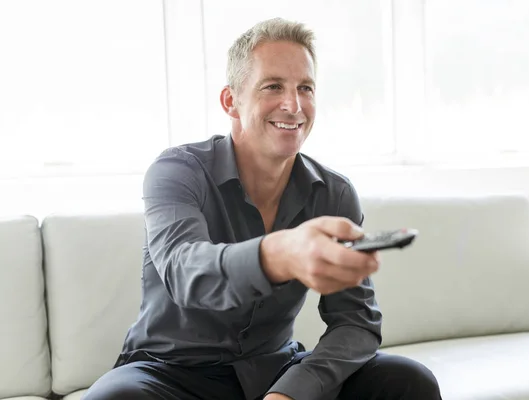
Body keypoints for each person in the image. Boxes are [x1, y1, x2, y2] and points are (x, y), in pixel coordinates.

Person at [83, 17, 442, 400]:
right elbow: (185, 271)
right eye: (273, 87)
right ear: (231, 101)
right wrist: (280, 255)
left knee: (407, 380)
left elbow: (356, 323)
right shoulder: (176, 171)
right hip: (171, 374)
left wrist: (292, 391)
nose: (294, 105)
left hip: (274, 370)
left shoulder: (334, 193)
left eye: (305, 88)